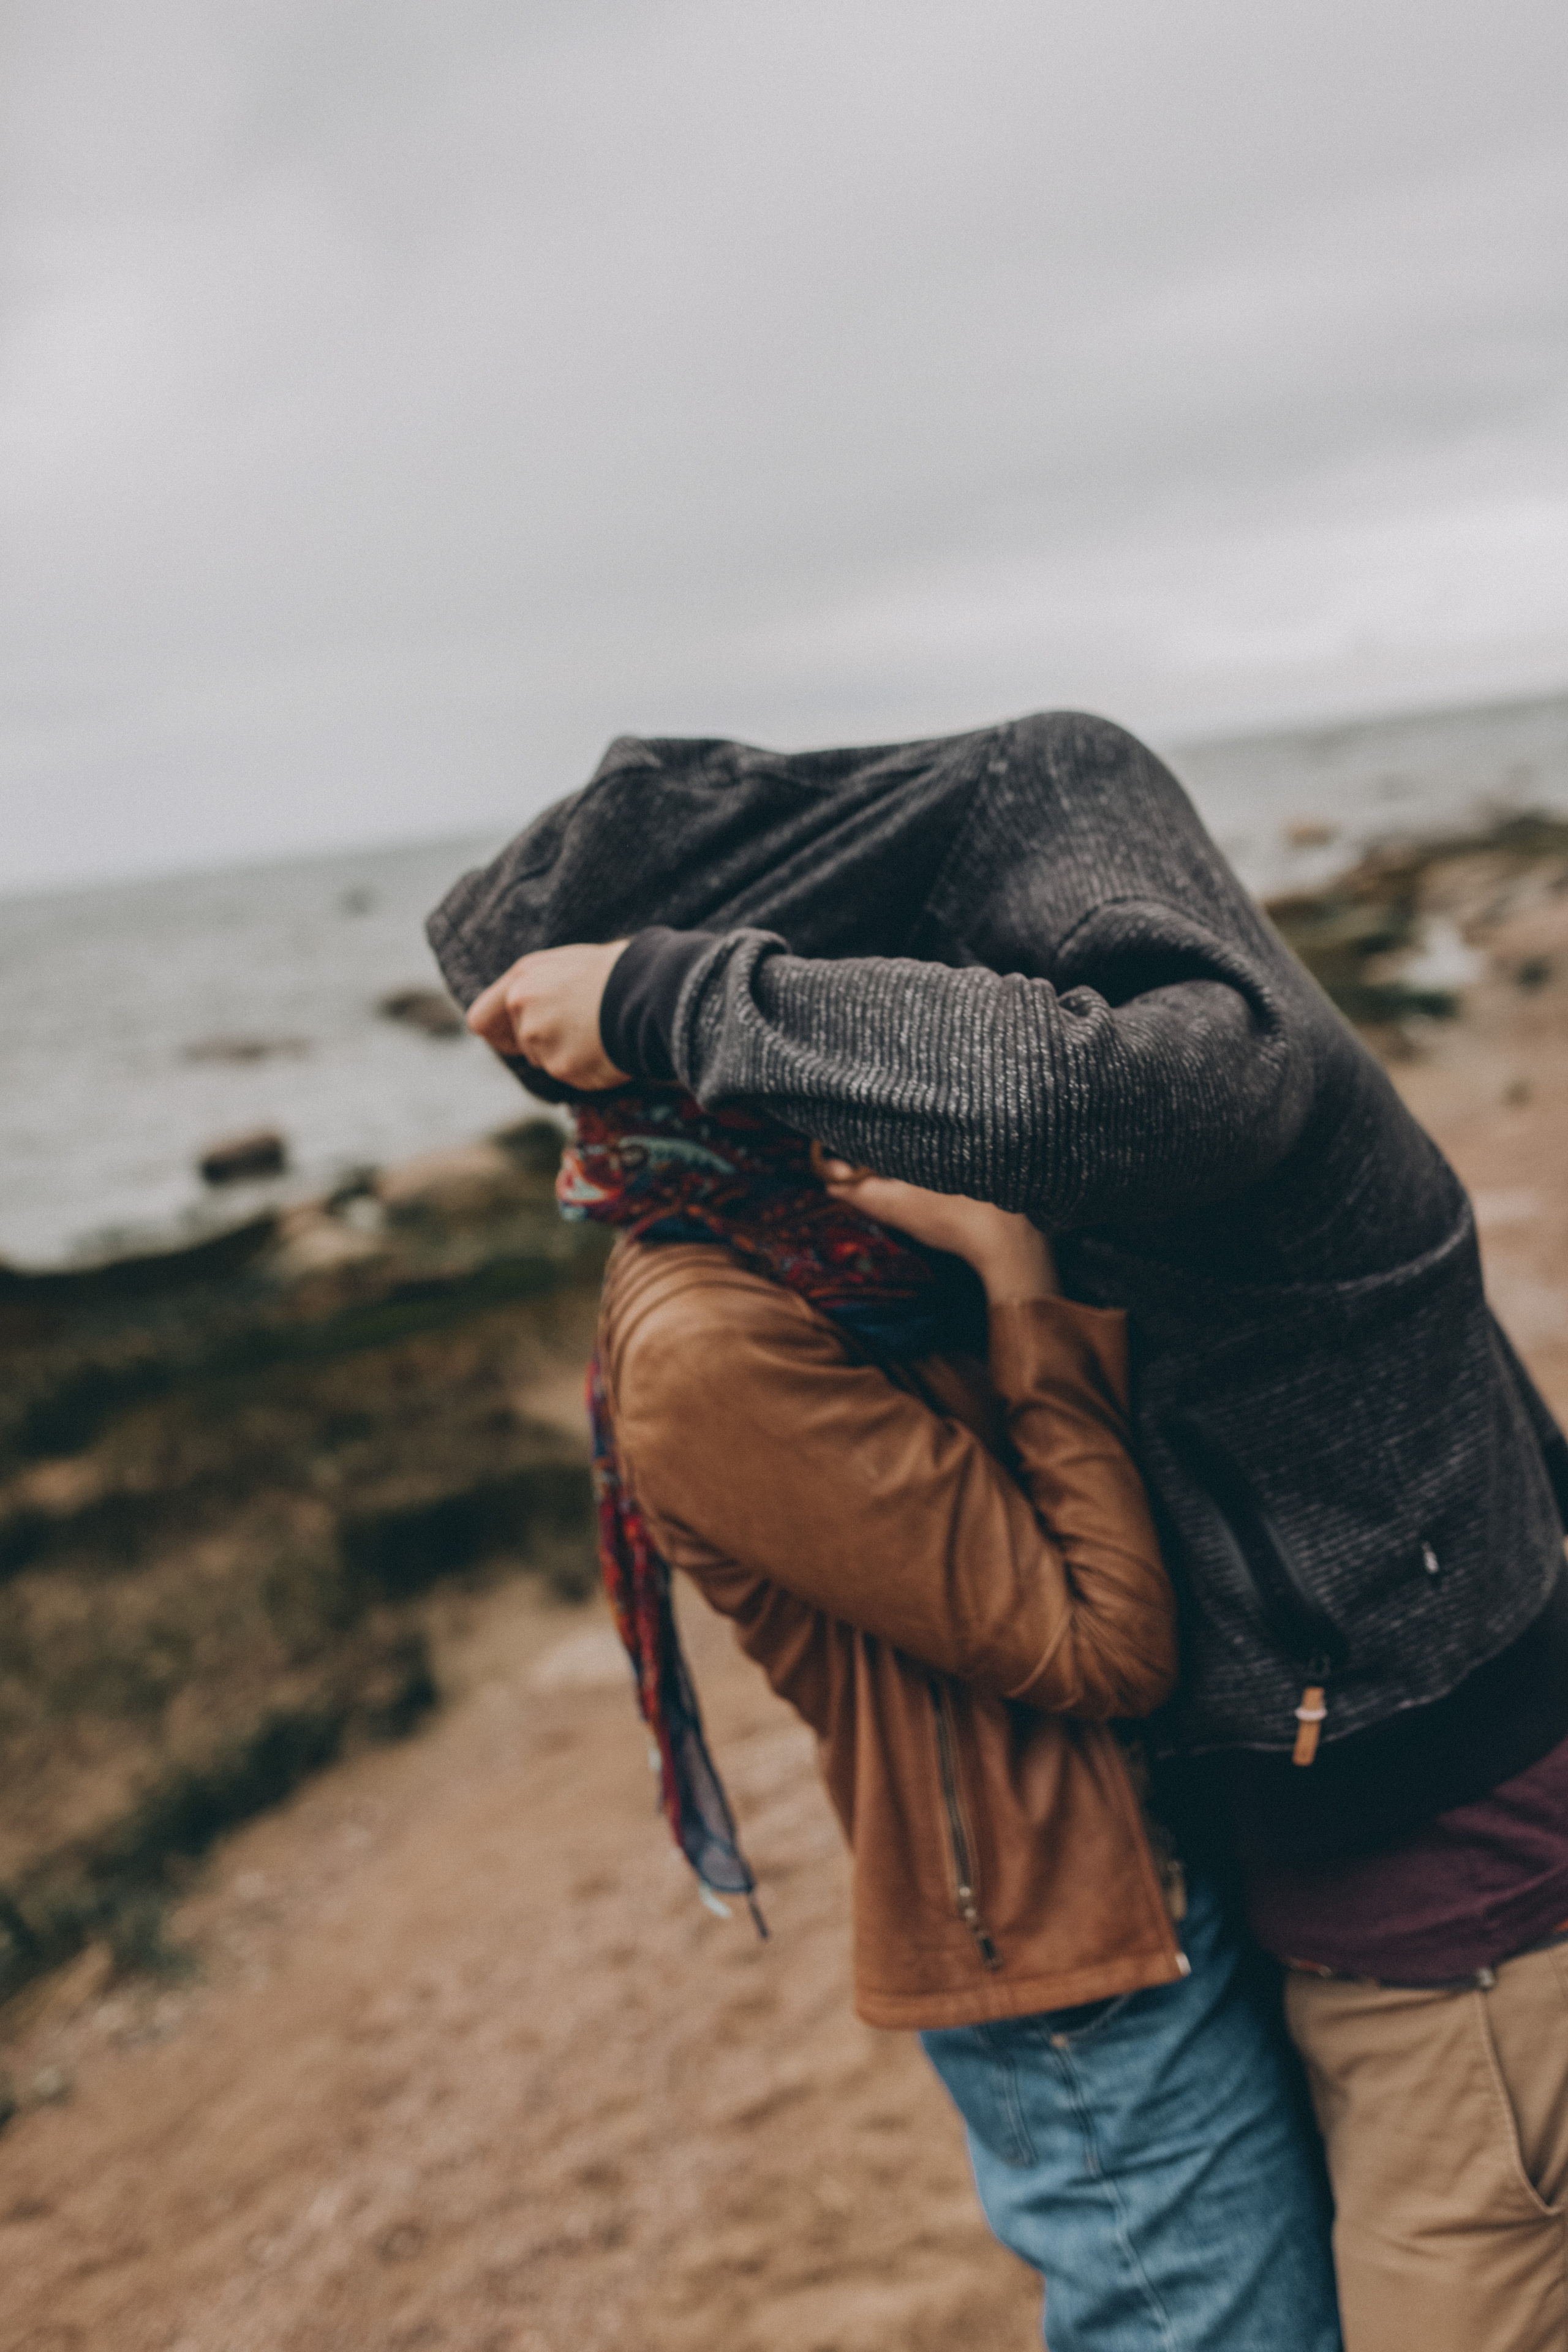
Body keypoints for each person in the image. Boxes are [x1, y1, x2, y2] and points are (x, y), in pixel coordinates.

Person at [431, 709, 1568, 2350]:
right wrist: (1021, 1285)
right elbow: (1099, 1628)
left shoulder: (1095, 1148)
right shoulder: (746, 1322)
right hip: (1094, 1953)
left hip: (1379, 1887)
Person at [554, 1077, 1343, 2351]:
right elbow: (1100, 1642)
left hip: (1145, 1867)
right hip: (1067, 1948)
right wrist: (1014, 1272)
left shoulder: (832, 1251)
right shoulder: (714, 1341)